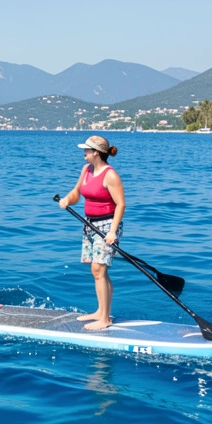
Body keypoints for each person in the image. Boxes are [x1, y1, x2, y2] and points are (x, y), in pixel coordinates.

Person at [57, 135, 124, 330]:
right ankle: (101, 311)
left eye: (87, 149)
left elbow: (121, 204)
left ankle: (105, 319)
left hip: (107, 226)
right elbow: (77, 192)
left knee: (98, 269)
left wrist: (112, 232)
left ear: (96, 152)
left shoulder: (110, 175)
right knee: (97, 271)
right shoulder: (86, 170)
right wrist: (67, 199)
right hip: (89, 225)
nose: (84, 152)